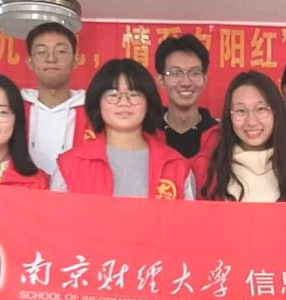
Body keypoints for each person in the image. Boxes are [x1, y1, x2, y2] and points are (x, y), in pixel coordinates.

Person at [50, 59, 195, 199]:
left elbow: (191, 216)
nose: (124, 102)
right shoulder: (70, 165)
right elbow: (54, 215)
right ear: (98, 102)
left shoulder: (176, 165)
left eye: (134, 94)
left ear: (148, 103)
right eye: (113, 95)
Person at [193, 71, 286, 202]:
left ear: (276, 112)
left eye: (261, 109)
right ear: (229, 117)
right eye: (240, 110)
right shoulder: (205, 169)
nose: (251, 122)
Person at [21, 22, 93, 175]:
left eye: (61, 51)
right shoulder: (15, 108)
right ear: (30, 62)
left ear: (75, 60)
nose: (51, 58)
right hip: (23, 189)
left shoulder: (93, 112)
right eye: (41, 52)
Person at [154, 33, 217, 158]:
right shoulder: (149, 133)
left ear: (205, 79)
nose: (186, 83)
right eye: (175, 73)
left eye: (194, 73)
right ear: (161, 80)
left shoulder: (218, 136)